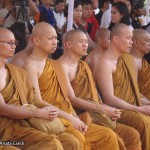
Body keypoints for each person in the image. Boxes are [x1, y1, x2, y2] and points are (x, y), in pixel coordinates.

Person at [20, 22, 120, 150]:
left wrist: (74, 117)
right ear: (36, 40)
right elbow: (37, 100)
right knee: (77, 141)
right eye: (50, 38)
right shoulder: (30, 64)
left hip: (68, 114)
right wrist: (68, 118)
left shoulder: (54, 64)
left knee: (107, 136)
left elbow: (66, 99)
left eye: (56, 38)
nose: (55, 42)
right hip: (53, 117)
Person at [59, 29, 142, 150]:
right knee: (110, 137)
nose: (85, 45)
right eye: (81, 41)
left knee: (132, 134)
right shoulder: (62, 66)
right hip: (79, 115)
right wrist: (102, 108)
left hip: (96, 113)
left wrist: (106, 110)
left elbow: (94, 94)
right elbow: (72, 99)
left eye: (86, 41)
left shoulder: (84, 65)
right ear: (68, 44)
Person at [0, 28, 81, 150]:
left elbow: (33, 99)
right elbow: (3, 109)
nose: (14, 46)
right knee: (51, 144)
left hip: (26, 123)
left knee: (71, 141)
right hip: (6, 133)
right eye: (9, 43)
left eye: (14, 43)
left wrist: (52, 111)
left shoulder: (17, 72)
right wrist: (38, 112)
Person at [94, 23, 150, 150]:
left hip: (133, 106)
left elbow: (135, 92)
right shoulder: (104, 63)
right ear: (116, 39)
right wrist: (139, 109)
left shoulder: (127, 59)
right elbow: (109, 98)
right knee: (143, 121)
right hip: (117, 111)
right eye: (128, 38)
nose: (131, 42)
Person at [130, 29, 150, 100]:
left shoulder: (142, 60)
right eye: (147, 41)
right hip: (143, 101)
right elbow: (133, 90)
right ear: (136, 43)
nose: (149, 44)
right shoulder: (133, 61)